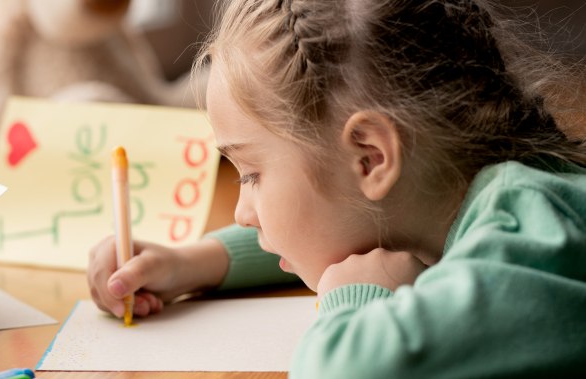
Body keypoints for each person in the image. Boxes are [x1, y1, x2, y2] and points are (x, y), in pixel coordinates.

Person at [88, 0, 586, 376]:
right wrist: (195, 262)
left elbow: (345, 369)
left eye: (252, 174)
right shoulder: (477, 196)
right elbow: (341, 222)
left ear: (371, 157)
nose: (242, 211)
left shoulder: (523, 255)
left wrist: (355, 299)